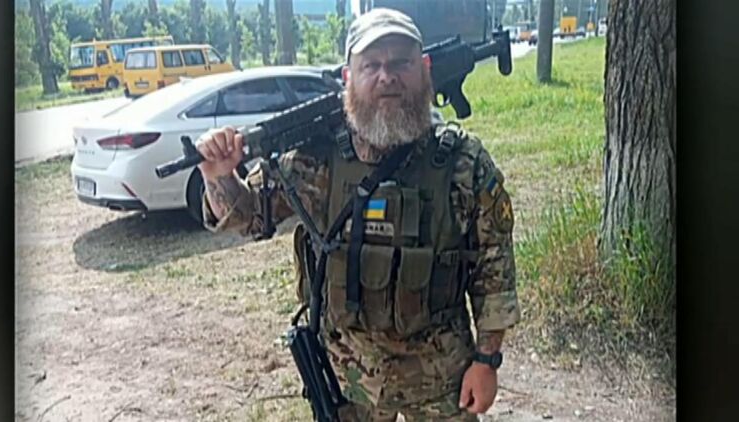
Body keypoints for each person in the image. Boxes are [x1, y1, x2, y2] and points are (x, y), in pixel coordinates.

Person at [195, 8, 520, 421]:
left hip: (443, 380)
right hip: (347, 380)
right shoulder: (315, 160)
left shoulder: (462, 162)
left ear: (424, 69)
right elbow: (248, 217)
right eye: (371, 65)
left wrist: (487, 360)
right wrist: (218, 176)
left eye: (400, 63)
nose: (387, 76)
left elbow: (494, 268)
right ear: (349, 77)